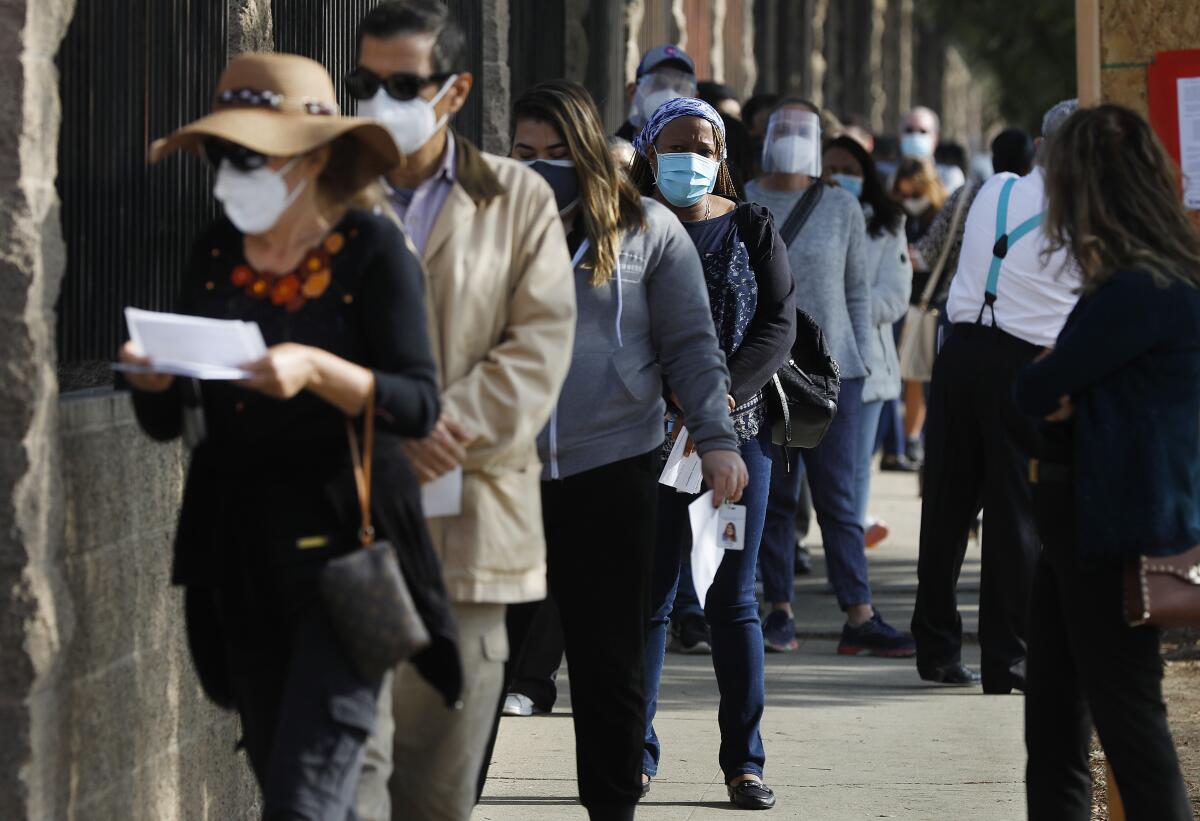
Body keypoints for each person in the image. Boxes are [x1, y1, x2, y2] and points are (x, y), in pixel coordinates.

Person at [121, 53, 460, 818]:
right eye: (221, 154)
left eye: (250, 156)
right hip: (238, 562)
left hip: (346, 565)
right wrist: (155, 382)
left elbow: (417, 402)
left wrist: (317, 369)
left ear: (310, 159)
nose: (229, 171)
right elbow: (168, 420)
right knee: (290, 783)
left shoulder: (372, 250)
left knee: (304, 800)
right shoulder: (216, 250)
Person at [481, 79, 748, 821]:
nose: (542, 168)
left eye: (559, 153)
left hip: (613, 468)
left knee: (609, 665)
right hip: (506, 474)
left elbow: (692, 345)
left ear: (590, 151)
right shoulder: (487, 228)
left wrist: (718, 440)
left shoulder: (648, 231)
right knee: (478, 664)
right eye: (525, 153)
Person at [347, 3, 577, 819]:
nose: (382, 99)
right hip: (352, 527)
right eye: (367, 83)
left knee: (438, 791)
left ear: (455, 91)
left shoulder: (516, 198)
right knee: (349, 771)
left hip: (471, 529)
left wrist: (442, 427)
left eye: (403, 84)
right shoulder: (331, 193)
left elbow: (539, 342)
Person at [1015, 103, 1200, 821]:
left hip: (1109, 531)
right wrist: (1062, 385)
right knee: (1059, 721)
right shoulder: (1156, 281)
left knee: (1124, 724)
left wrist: (1060, 383)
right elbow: (1050, 391)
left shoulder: (1135, 291)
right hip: (1090, 523)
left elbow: (1036, 386)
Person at [629, 97, 795, 811]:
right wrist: (675, 402)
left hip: (736, 436)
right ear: (649, 149)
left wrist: (718, 401)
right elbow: (613, 322)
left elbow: (778, 325)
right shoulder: (627, 225)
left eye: (704, 144)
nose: (690, 158)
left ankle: (744, 763)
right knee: (652, 597)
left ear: (723, 154)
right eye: (676, 144)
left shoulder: (753, 226)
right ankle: (632, 754)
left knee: (734, 598)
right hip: (648, 436)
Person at [910, 100, 1081, 693]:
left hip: (960, 354)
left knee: (948, 505)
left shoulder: (995, 189)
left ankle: (934, 647)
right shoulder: (1081, 214)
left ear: (1039, 144)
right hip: (1024, 362)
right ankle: (1006, 660)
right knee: (1014, 514)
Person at [746, 100, 914, 658]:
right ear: (767, 135)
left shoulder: (841, 205)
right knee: (776, 497)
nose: (791, 137)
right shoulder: (745, 198)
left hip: (835, 371)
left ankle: (859, 614)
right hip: (766, 372)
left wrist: (861, 363)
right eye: (783, 127)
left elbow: (857, 291)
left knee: (840, 499)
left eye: (803, 129)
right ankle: (779, 610)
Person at [821, 135, 912, 550]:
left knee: (856, 468)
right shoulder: (803, 214)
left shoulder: (888, 223)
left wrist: (841, 306)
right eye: (832, 168)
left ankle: (848, 552)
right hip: (805, 360)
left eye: (850, 171)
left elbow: (894, 296)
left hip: (866, 364)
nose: (839, 178)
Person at [915, 125, 1041, 322]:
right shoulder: (1040, 205)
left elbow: (927, 254)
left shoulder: (967, 196)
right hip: (1018, 316)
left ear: (993, 159)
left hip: (962, 309)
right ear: (1031, 161)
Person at [878, 157, 946, 472]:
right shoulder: (892, 213)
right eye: (902, 195)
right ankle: (901, 442)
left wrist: (917, 257)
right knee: (899, 376)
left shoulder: (941, 214)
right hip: (897, 303)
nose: (908, 201)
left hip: (926, 304)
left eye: (913, 194)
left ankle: (919, 439)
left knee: (921, 375)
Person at [615, 44, 698, 141]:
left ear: (695, 99)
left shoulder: (704, 153)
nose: (669, 95)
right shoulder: (611, 153)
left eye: (679, 87)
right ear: (633, 92)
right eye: (658, 84)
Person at [898, 106, 965, 192]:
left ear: (935, 139)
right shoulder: (891, 177)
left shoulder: (950, 176)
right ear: (900, 137)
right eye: (909, 130)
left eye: (923, 131)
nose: (915, 136)